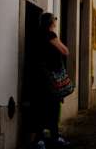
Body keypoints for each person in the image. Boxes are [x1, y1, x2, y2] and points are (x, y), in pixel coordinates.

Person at [29, 13, 70, 149]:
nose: (56, 22)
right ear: (51, 23)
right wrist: (53, 34)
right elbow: (65, 51)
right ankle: (54, 137)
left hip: (36, 76)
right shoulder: (50, 35)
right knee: (53, 106)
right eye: (55, 20)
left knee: (40, 106)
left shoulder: (35, 34)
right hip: (48, 77)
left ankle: (40, 140)